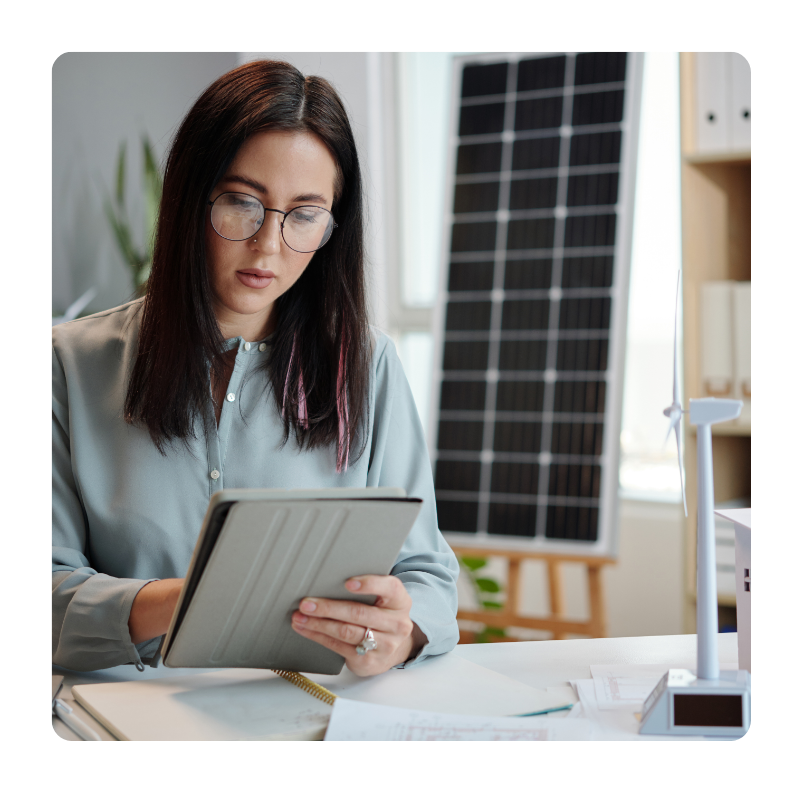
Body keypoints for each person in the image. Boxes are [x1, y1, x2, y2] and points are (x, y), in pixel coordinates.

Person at [51, 60, 459, 677]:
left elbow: (427, 578)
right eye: (243, 202)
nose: (269, 245)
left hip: (303, 713)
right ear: (192, 196)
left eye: (304, 214)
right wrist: (188, 599)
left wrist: (399, 634)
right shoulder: (70, 364)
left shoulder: (368, 366)